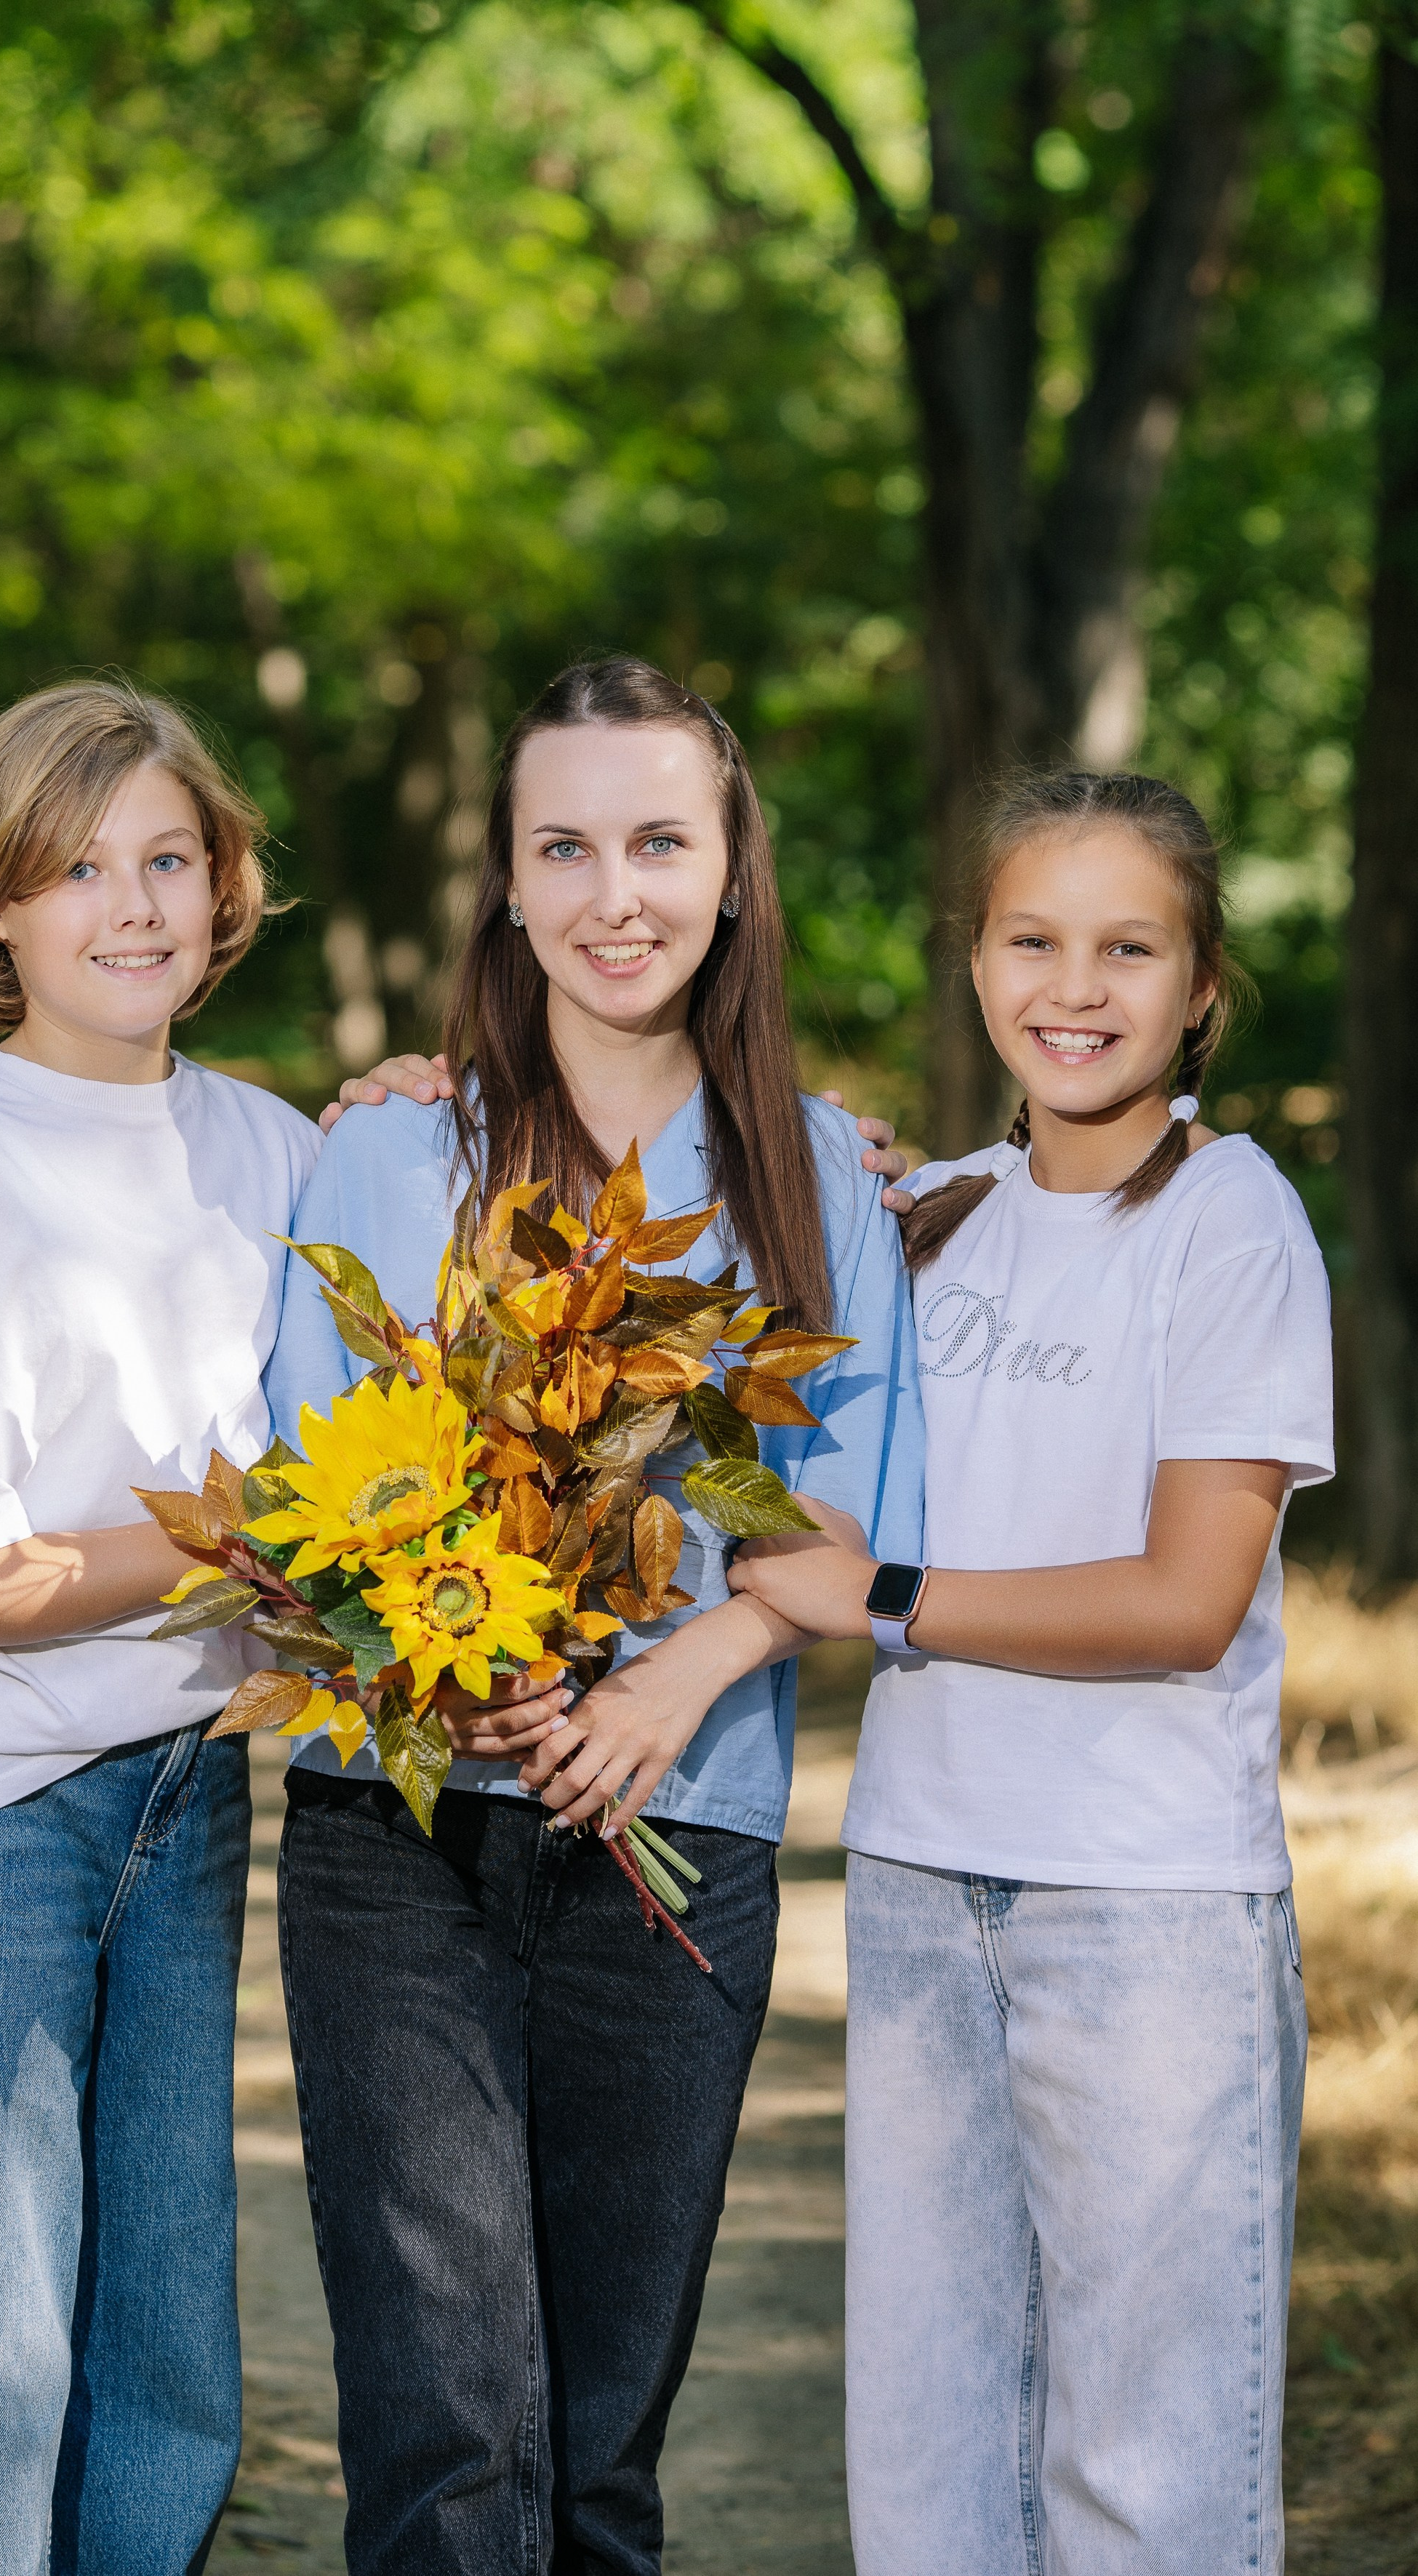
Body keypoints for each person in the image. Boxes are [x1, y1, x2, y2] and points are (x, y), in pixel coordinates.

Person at [265, 655, 924, 2575]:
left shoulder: (820, 1174)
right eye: (561, 845)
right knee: (450, 2443)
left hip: (680, 1830)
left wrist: (676, 1674)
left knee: (600, 2458)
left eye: (657, 841)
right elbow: (312, 1485)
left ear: (729, 871)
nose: (611, 892)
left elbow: (844, 1513)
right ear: (503, 878)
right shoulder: (388, 1151)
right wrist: (448, 1657)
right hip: (396, 1840)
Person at [728, 769, 1333, 2576]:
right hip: (919, 1877)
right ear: (976, 960)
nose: (1074, 987)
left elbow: (1183, 1599)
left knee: (1148, 2470)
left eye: (1126, 948)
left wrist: (884, 1593)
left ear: (1197, 983)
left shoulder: (1229, 1219)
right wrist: (424, 1095)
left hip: (1144, 1908)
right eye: (1031, 940)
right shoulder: (930, 1211)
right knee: (929, 2458)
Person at [0, 683, 327, 2575]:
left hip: (184, 1788)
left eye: (169, 858)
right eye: (78, 867)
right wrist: (226, 1541)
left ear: (225, 885)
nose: (134, 904)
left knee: (159, 2358)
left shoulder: (275, 1151)